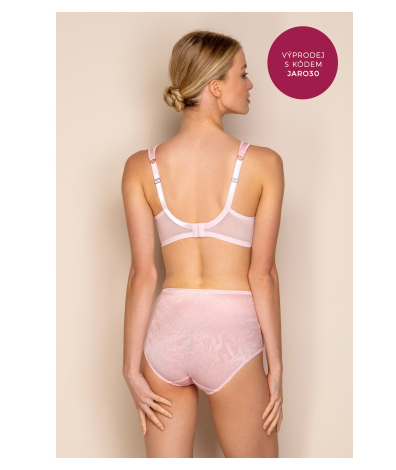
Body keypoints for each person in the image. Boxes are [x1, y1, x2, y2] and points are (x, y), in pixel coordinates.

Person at [121, 30, 285, 458]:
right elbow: (262, 274)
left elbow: (143, 274)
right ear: (214, 86)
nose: (250, 84)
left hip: (166, 335)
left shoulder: (140, 167)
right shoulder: (264, 163)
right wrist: (276, 367)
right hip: (230, 334)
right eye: (242, 74)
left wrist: (130, 368)